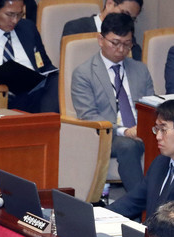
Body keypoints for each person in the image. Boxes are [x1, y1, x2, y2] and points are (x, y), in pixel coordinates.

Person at [71, 13, 153, 192]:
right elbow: (88, 116)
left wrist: (145, 128)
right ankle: (140, 202)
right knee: (128, 145)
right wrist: (125, 131)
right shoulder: (84, 74)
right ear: (101, 40)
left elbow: (151, 106)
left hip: (143, 132)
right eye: (115, 43)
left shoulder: (140, 70)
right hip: (107, 136)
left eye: (127, 44)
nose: (121, 49)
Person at [61, 0, 143, 61]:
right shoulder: (76, 29)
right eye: (125, 14)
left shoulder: (128, 37)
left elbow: (138, 67)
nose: (127, 21)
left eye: (132, 19)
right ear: (109, 4)